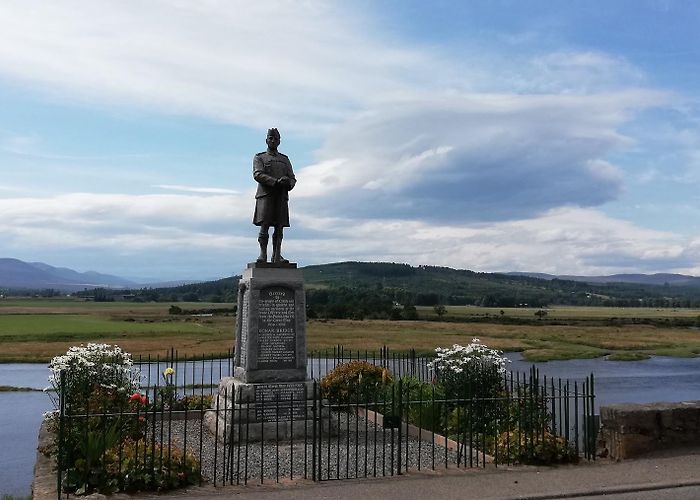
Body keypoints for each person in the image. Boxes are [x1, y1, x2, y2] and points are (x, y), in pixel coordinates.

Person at [252, 128, 296, 264]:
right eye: (270, 138)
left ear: (279, 141)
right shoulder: (260, 157)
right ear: (266, 140)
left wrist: (288, 183)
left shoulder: (284, 159)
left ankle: (277, 255)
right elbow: (258, 174)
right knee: (264, 225)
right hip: (266, 195)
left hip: (281, 196)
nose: (273, 140)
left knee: (279, 226)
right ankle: (263, 255)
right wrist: (275, 182)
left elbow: (293, 178)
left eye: (275, 138)